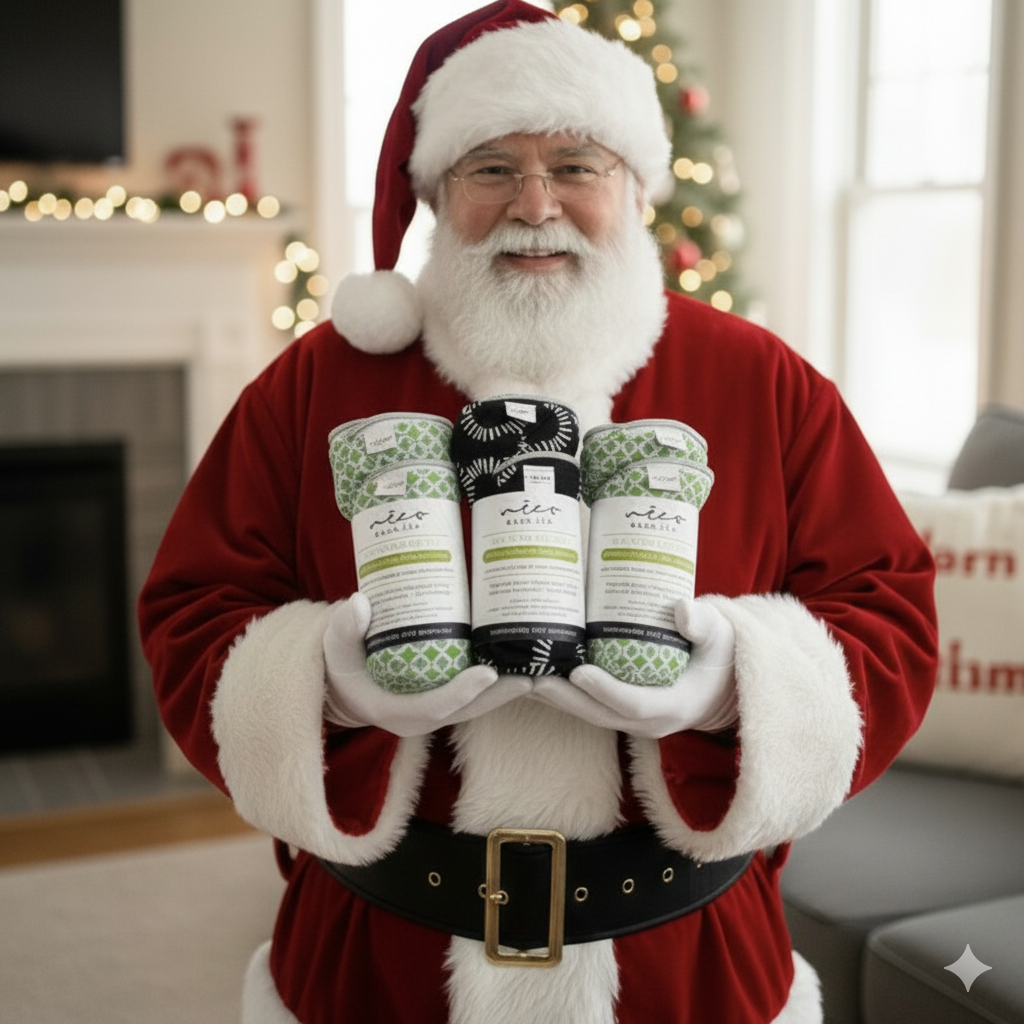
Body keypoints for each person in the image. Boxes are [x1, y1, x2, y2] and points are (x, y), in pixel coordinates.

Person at [137, 3, 938, 1022]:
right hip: (381, 963)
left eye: (574, 164)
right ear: (435, 194)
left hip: (683, 967)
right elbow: (194, 605)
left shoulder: (759, 382)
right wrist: (325, 686)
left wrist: (732, 686)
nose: (534, 204)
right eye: (489, 168)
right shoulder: (318, 385)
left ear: (637, 186)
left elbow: (890, 610)